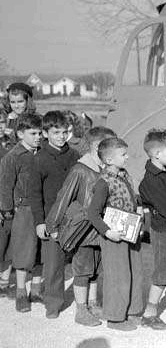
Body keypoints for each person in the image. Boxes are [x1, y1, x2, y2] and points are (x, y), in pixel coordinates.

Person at [46, 126, 117, 327]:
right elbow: (63, 198)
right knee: (82, 270)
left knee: (95, 269)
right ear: (97, 146)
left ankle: (93, 303)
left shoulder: (106, 169)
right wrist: (53, 225)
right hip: (84, 231)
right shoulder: (80, 169)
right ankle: (81, 309)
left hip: (101, 230)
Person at [87, 137, 144, 331]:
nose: (127, 157)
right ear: (109, 160)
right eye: (123, 154)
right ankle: (115, 318)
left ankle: (132, 311)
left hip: (131, 233)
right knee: (118, 276)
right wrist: (108, 232)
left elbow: (133, 198)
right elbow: (92, 213)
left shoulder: (125, 175)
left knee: (135, 272)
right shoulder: (103, 182)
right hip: (113, 237)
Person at [30, 111, 80, 318]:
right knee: (53, 263)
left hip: (75, 216)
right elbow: (34, 194)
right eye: (55, 132)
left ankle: (86, 301)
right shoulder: (39, 158)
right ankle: (52, 302)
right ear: (45, 133)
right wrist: (40, 222)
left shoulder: (74, 155)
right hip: (52, 219)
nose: (61, 136)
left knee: (82, 259)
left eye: (64, 132)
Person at [0, 113, 43, 312]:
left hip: (42, 208)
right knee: (23, 251)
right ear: (19, 133)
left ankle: (36, 290)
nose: (38, 137)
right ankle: (20, 292)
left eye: (40, 133)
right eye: (33, 133)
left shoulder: (43, 153)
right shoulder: (13, 157)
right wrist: (7, 211)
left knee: (41, 250)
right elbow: (5, 186)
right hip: (22, 210)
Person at [138, 128, 166, 330]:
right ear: (156, 154)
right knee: (164, 271)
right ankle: (149, 313)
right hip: (163, 230)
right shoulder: (151, 180)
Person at [2, 82, 36, 147]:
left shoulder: (36, 120)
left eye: (20, 101)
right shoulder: (6, 118)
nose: (16, 106)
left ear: (28, 101)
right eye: (12, 102)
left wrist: (13, 139)